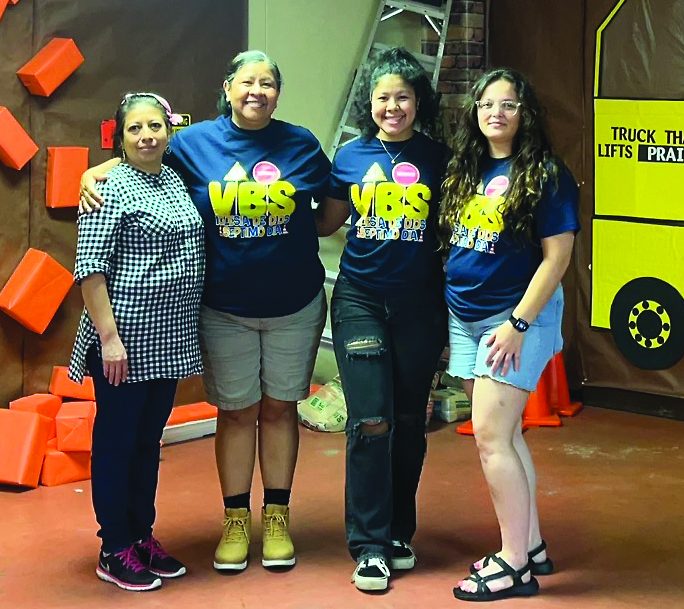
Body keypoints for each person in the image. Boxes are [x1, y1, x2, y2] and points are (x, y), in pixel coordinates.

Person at [80, 50, 330, 572]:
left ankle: (276, 517)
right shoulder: (193, 144)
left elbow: (330, 210)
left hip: (293, 305)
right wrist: (94, 171)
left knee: (279, 409)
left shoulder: (302, 143)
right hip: (224, 308)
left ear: (278, 93)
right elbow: (139, 154)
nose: (256, 91)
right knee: (235, 412)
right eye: (247, 81)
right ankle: (234, 521)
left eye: (267, 82)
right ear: (228, 87)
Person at [438, 68, 580, 602]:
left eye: (508, 104)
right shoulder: (468, 167)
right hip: (466, 316)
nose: (496, 113)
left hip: (513, 318)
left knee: (492, 438)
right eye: (487, 104)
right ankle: (532, 544)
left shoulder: (545, 172)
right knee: (507, 434)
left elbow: (557, 258)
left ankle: (515, 564)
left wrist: (518, 323)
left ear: (526, 113)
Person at [315, 47, 448, 592]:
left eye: (403, 97)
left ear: (418, 102)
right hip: (360, 299)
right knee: (372, 419)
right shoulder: (349, 157)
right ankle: (369, 546)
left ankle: (397, 533)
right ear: (368, 102)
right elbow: (325, 222)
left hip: (420, 303)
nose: (392, 107)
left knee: (410, 420)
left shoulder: (441, 158)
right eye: (382, 97)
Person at [69, 92, 205, 591]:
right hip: (123, 340)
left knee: (148, 443)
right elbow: (90, 269)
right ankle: (114, 546)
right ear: (119, 137)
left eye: (154, 126)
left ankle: (141, 535)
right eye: (134, 129)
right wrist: (109, 338)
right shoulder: (107, 188)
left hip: (167, 339)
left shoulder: (172, 176)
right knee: (117, 443)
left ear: (168, 131)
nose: (146, 136)